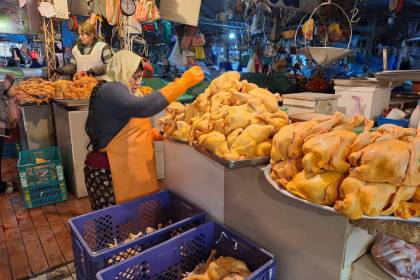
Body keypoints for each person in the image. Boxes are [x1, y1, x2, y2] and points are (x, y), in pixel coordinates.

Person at [84, 50, 203, 210]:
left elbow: (123, 127)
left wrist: (153, 133)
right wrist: (183, 83)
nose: (138, 82)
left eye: (140, 77)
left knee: (135, 225)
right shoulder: (110, 89)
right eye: (134, 76)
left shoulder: (128, 92)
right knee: (116, 225)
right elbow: (142, 108)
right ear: (122, 70)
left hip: (129, 170)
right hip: (111, 173)